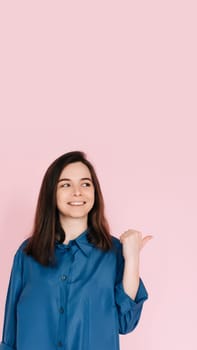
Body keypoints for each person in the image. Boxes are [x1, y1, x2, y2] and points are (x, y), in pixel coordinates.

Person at [0, 150, 153, 350]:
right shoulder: (28, 253)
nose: (77, 191)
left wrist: (132, 260)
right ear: (51, 194)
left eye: (85, 184)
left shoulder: (114, 253)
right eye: (65, 184)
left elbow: (126, 323)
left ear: (95, 192)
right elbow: (10, 332)